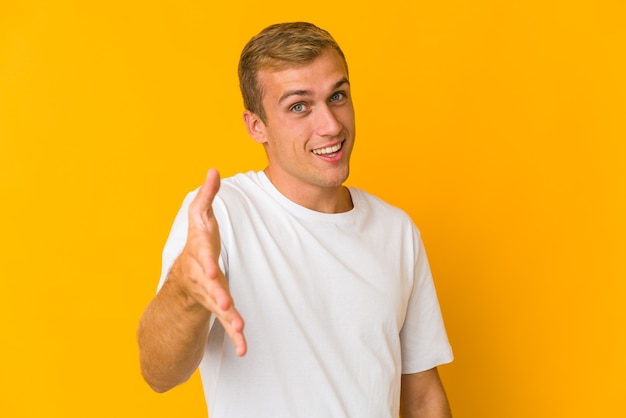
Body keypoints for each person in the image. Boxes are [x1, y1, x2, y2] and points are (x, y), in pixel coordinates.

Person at [137, 22, 453, 417]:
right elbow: (158, 372)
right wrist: (185, 291)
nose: (331, 126)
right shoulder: (222, 216)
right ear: (257, 126)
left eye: (337, 96)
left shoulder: (397, 231)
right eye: (299, 106)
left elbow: (422, 396)